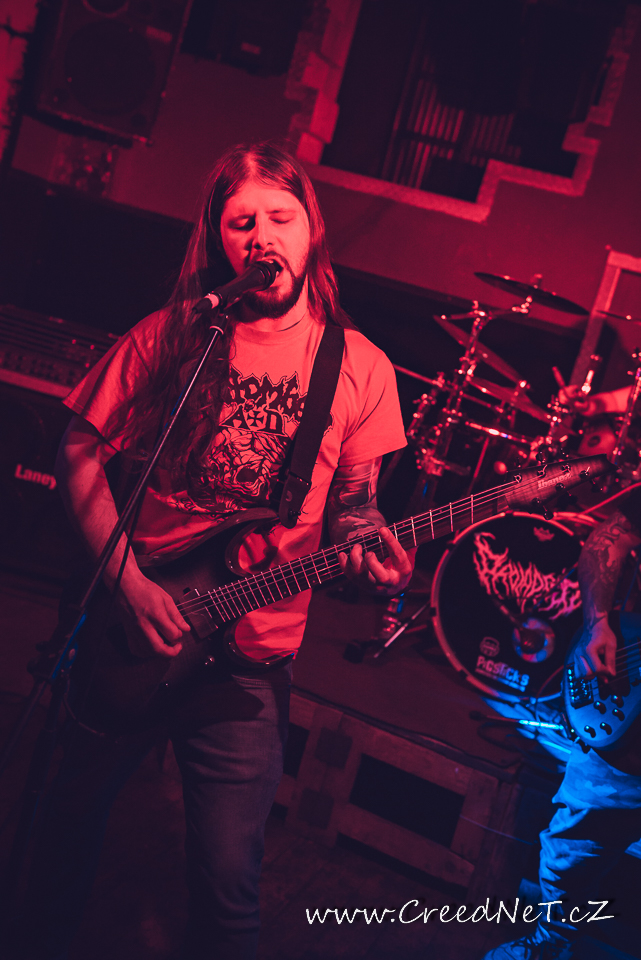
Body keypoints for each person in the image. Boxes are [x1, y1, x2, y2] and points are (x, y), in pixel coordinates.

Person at [9, 142, 413, 960]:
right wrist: (127, 584)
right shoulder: (173, 335)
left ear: (310, 229)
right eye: (241, 222)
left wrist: (368, 549)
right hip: (132, 631)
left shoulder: (361, 367)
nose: (262, 236)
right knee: (59, 837)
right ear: (218, 237)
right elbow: (78, 453)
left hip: (250, 661)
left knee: (229, 883)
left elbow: (355, 506)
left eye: (279, 217)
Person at [481, 492, 641, 960]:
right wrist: (597, 624)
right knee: (572, 849)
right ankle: (548, 944)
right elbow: (608, 538)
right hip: (625, 726)